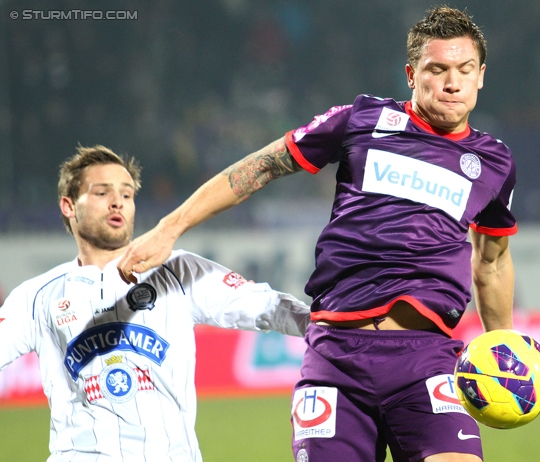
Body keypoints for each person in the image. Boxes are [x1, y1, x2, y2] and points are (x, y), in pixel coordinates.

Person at [118, 7, 517, 462]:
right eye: (437, 69)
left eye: (465, 70)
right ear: (411, 73)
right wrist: (169, 228)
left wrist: (502, 349)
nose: (452, 83)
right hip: (337, 359)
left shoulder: (494, 162)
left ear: (481, 75)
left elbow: (492, 260)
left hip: (426, 360)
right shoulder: (361, 120)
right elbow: (262, 166)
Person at [0, 145, 310, 462]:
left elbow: (267, 306)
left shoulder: (177, 270)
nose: (117, 201)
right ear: (68, 206)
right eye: (101, 193)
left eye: (126, 193)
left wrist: (332, 327)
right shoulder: (35, 297)